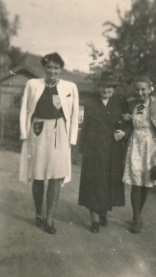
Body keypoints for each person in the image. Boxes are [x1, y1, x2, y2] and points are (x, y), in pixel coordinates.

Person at [19, 53, 79, 234]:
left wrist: (72, 138)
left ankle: (49, 218)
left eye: (56, 68)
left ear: (61, 69)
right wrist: (24, 133)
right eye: (49, 67)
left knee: (56, 175)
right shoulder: (32, 84)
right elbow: (24, 110)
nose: (52, 71)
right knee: (38, 175)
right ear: (44, 68)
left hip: (60, 130)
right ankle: (38, 213)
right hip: (38, 130)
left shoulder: (71, 87)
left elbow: (75, 114)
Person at [78, 71, 131, 233]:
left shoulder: (120, 103)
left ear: (114, 88)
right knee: (93, 183)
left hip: (112, 149)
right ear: (99, 87)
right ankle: (94, 220)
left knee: (107, 183)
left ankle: (103, 213)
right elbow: (85, 126)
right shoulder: (90, 103)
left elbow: (128, 123)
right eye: (103, 87)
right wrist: (81, 148)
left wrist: (123, 133)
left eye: (109, 87)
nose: (106, 90)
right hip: (93, 148)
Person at [122, 76, 156, 233]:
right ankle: (137, 219)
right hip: (135, 145)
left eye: (143, 89)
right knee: (136, 183)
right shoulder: (133, 104)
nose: (140, 92)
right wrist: (124, 117)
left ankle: (137, 215)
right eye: (137, 89)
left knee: (147, 183)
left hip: (152, 147)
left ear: (149, 89)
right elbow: (129, 122)